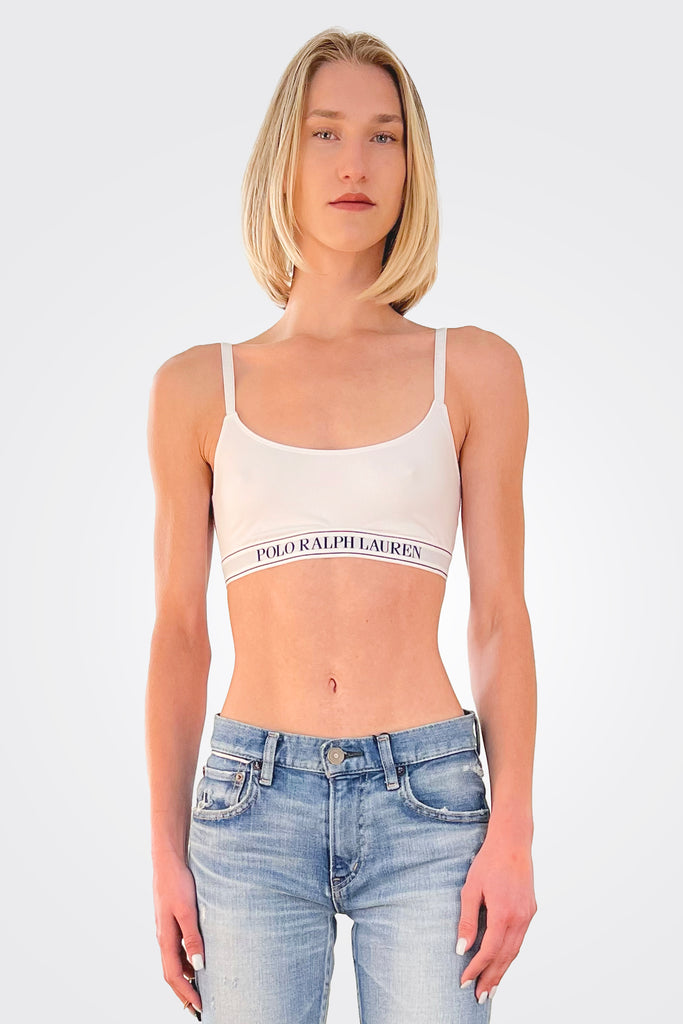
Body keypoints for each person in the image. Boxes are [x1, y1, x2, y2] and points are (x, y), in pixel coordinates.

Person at [145, 27, 537, 1024]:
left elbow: (498, 616)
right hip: (248, 808)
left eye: (382, 136)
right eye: (325, 133)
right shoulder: (195, 386)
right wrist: (162, 851)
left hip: (429, 804)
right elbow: (179, 632)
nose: (354, 163)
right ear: (284, 156)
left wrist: (513, 830)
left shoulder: (474, 369)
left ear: (412, 165)